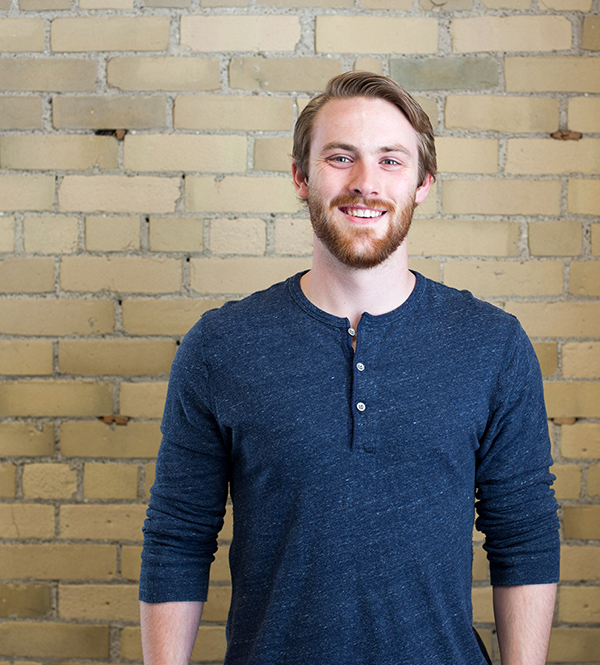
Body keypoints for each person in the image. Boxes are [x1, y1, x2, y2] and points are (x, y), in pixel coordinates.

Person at [139, 71, 560, 665]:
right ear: (300, 176)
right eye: (341, 158)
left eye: (391, 161)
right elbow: (178, 538)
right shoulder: (221, 346)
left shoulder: (492, 345)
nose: (366, 183)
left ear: (422, 184)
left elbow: (524, 536)